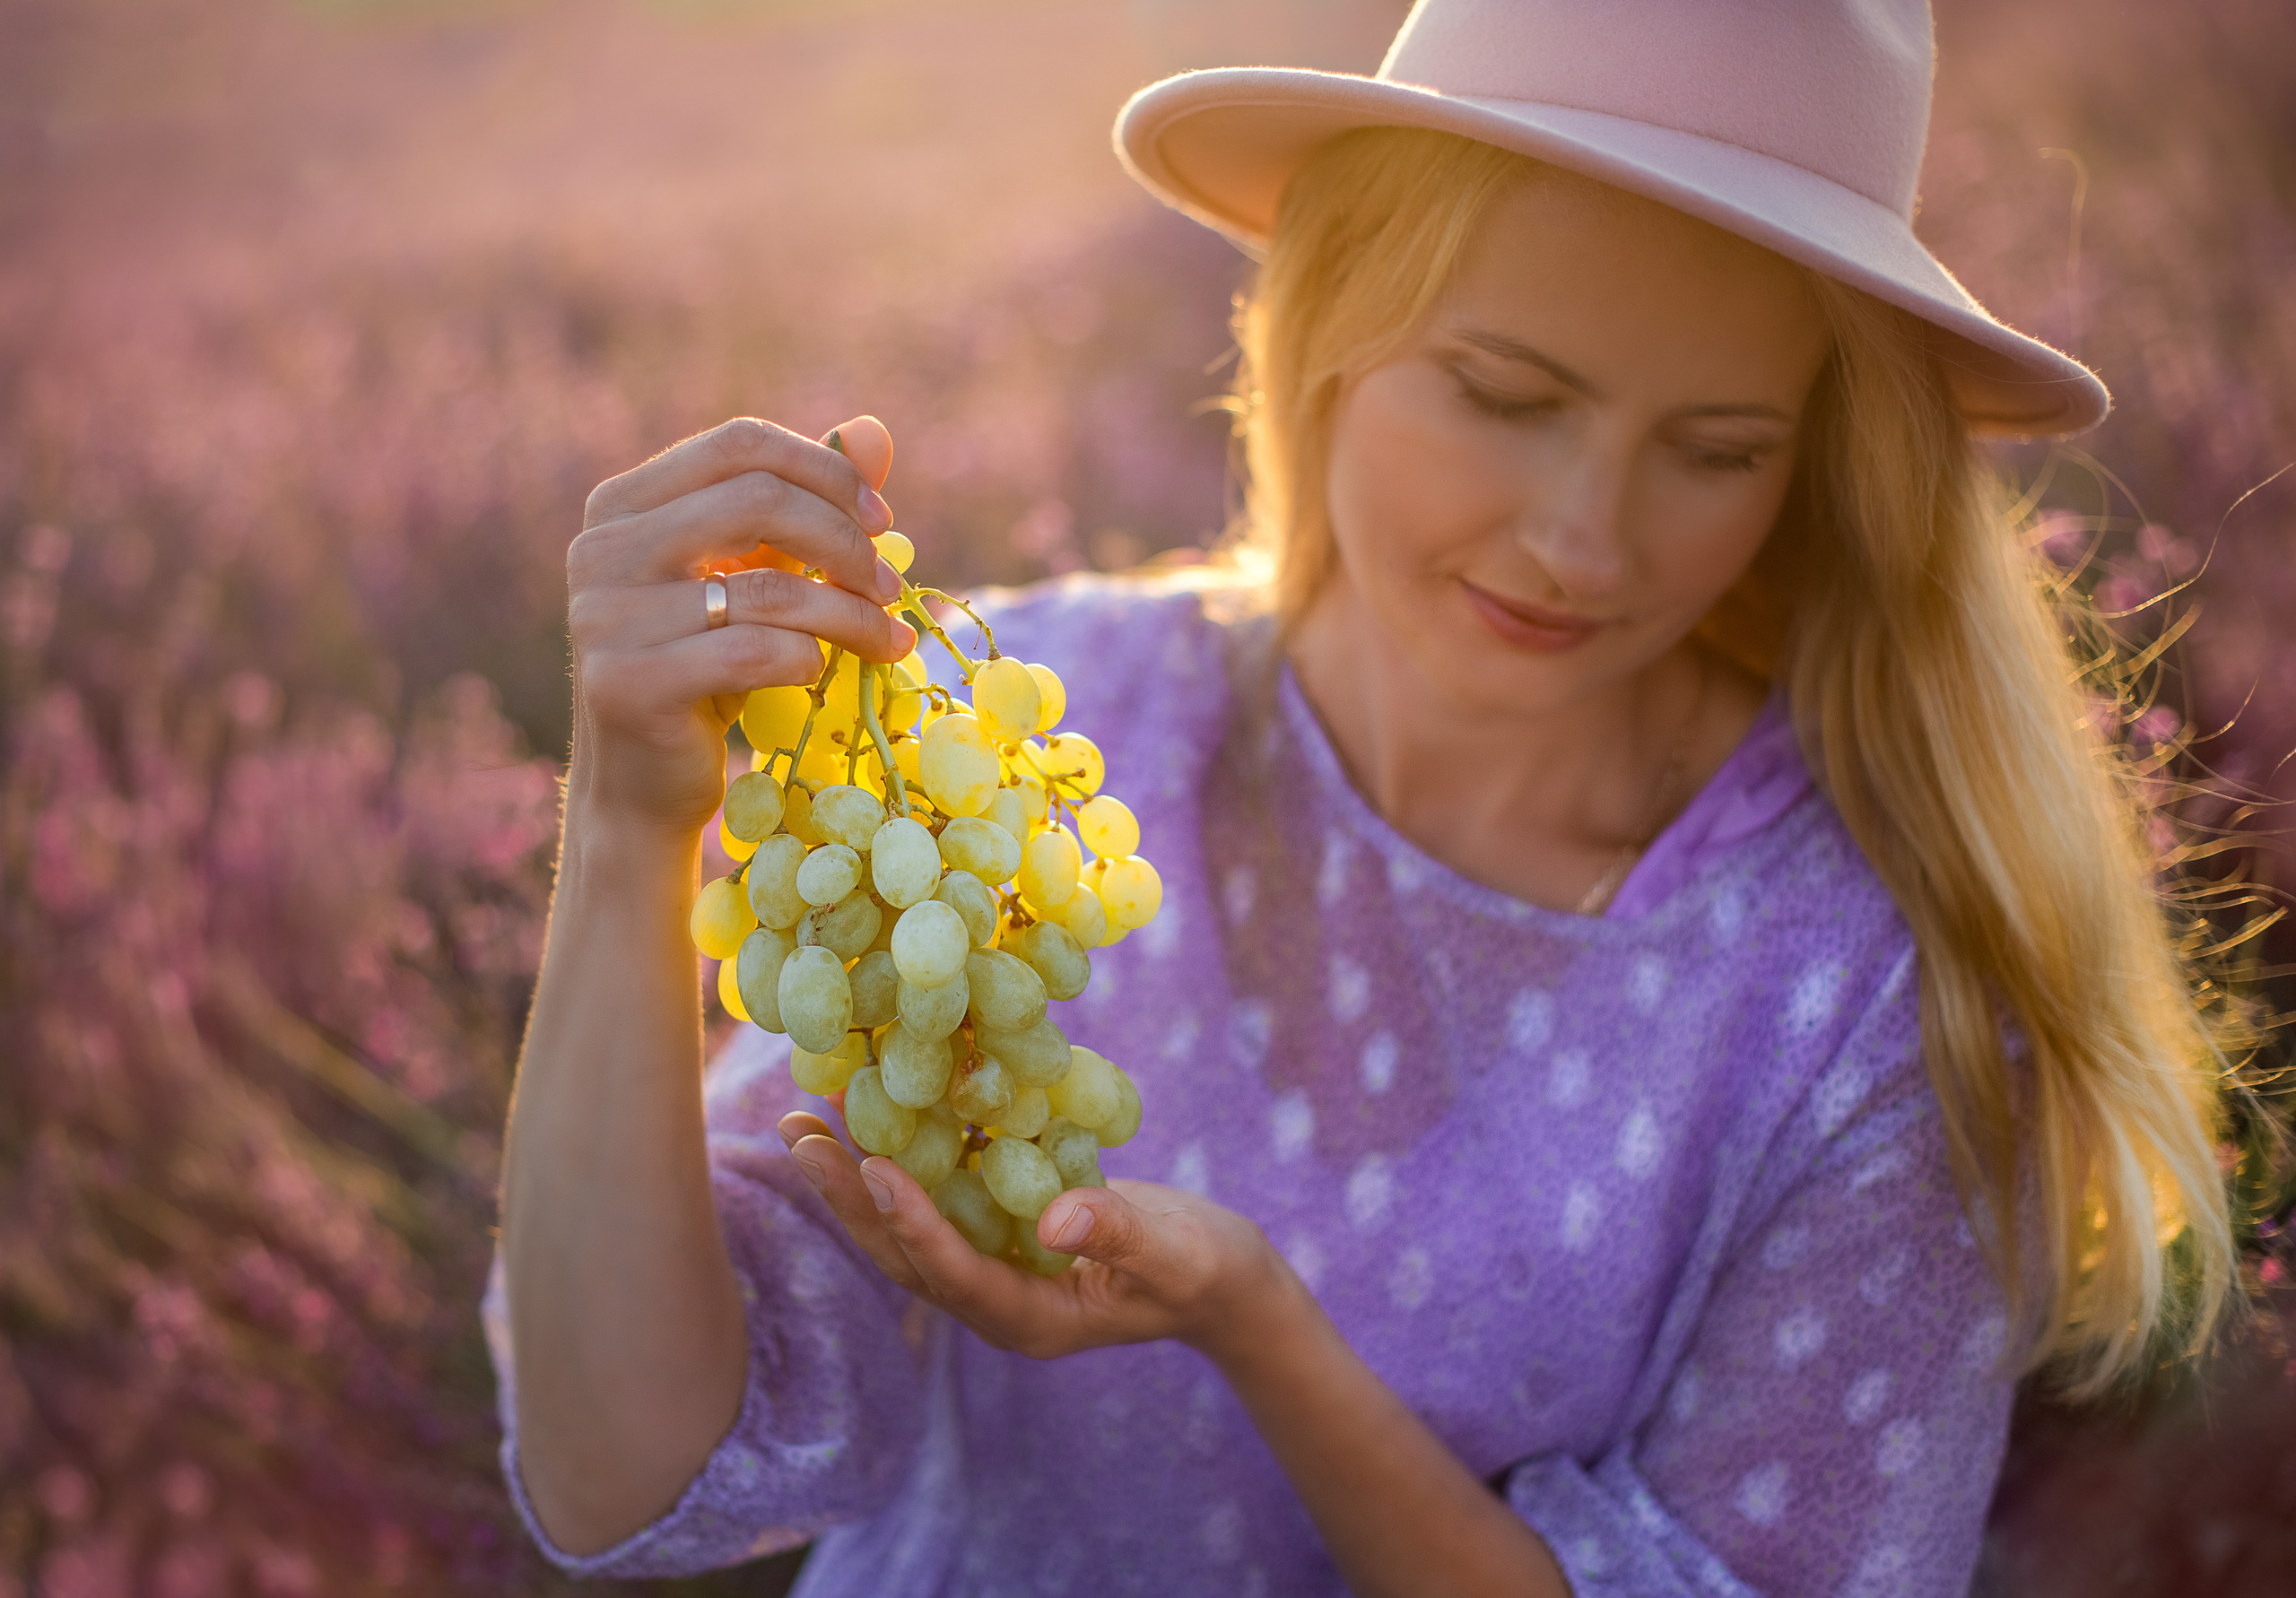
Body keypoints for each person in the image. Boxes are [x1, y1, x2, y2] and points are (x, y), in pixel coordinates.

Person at [484, 1, 2244, 1593]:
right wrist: (634, 827)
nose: (1580, 538)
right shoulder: (1030, 748)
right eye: (1503, 395)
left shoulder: (1854, 988)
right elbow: (623, 1472)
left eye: (1715, 449)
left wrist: (1262, 1336)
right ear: (1323, 326)